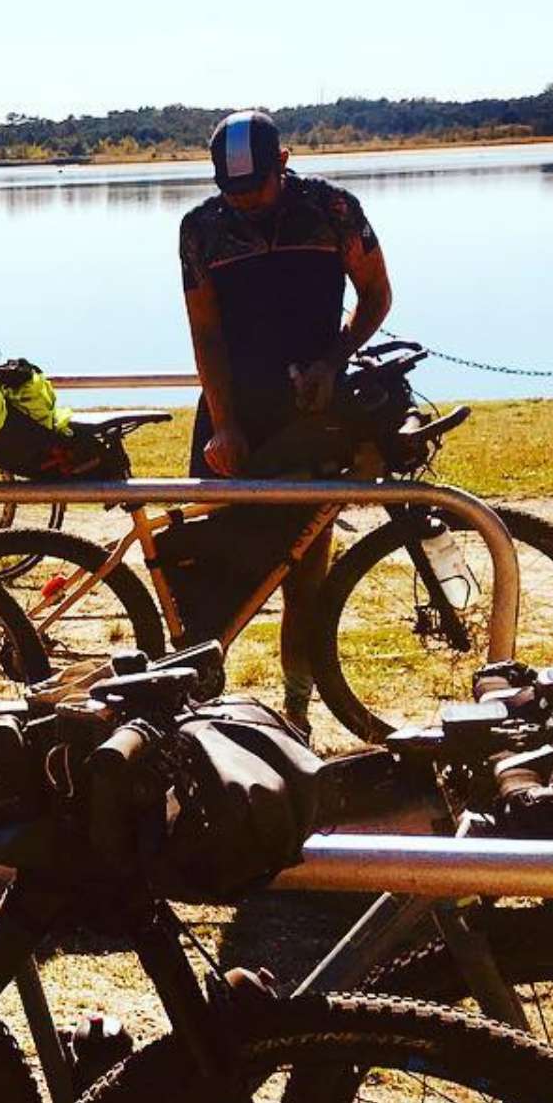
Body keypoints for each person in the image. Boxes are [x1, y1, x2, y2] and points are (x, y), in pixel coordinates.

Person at [178, 109, 393, 719]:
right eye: (232, 190)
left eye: (256, 187)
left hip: (311, 415)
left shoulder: (334, 211)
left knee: (304, 570)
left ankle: (296, 710)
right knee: (212, 567)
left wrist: (334, 360)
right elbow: (205, 332)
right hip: (232, 414)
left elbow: (376, 294)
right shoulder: (200, 229)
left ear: (284, 162)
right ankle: (194, 706)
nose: (244, 201)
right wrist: (224, 422)